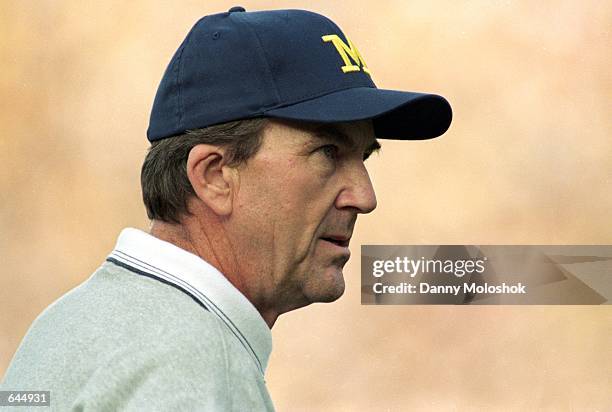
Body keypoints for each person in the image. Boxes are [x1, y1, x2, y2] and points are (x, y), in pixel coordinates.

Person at [1, 6, 451, 411]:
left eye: (364, 157)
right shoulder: (193, 367)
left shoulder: (71, 324)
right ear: (215, 176)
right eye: (328, 153)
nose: (364, 197)